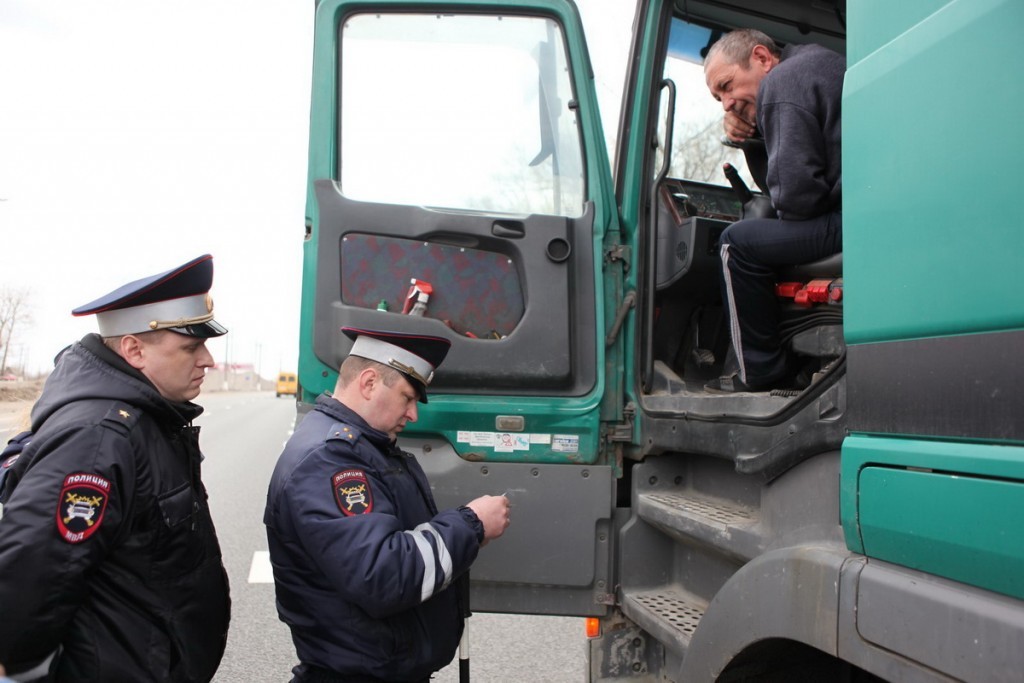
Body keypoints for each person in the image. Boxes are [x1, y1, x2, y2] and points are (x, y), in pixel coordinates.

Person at [0, 254, 231, 682]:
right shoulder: (101, 438)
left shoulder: (148, 419)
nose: (208, 360)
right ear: (133, 349)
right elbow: (27, 584)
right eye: (190, 347)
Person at [265, 327, 511, 683]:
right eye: (407, 398)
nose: (413, 414)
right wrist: (472, 524)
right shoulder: (332, 459)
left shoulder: (361, 447)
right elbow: (383, 574)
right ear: (368, 383)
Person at [703, 28, 845, 391]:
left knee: (735, 244)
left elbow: (795, 201)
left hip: (846, 219)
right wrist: (754, 135)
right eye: (718, 96)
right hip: (861, 209)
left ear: (762, 58)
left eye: (727, 85)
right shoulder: (818, 61)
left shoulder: (781, 84)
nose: (726, 103)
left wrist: (754, 142)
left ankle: (762, 373)